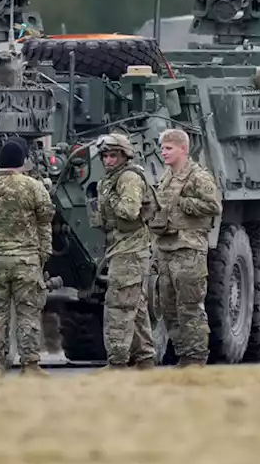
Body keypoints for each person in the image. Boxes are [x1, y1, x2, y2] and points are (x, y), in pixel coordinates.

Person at [0, 136, 54, 378]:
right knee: (28, 312)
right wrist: (42, 255)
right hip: (27, 260)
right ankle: (30, 365)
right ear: (22, 160)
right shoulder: (33, 187)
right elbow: (45, 223)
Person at [149, 128, 222, 366]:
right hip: (166, 247)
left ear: (183, 149)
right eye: (162, 148)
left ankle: (196, 357)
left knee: (190, 306)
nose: (164, 152)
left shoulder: (198, 177)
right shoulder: (166, 177)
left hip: (188, 249)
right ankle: (183, 354)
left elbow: (213, 206)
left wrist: (182, 203)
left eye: (169, 148)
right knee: (168, 306)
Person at [92, 132, 158, 370]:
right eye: (105, 156)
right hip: (122, 247)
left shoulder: (128, 178)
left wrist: (110, 202)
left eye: (113, 155)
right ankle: (144, 359)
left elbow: (129, 211)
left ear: (124, 155)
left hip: (130, 249)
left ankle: (117, 363)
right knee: (136, 307)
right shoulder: (112, 179)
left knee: (118, 304)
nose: (108, 160)